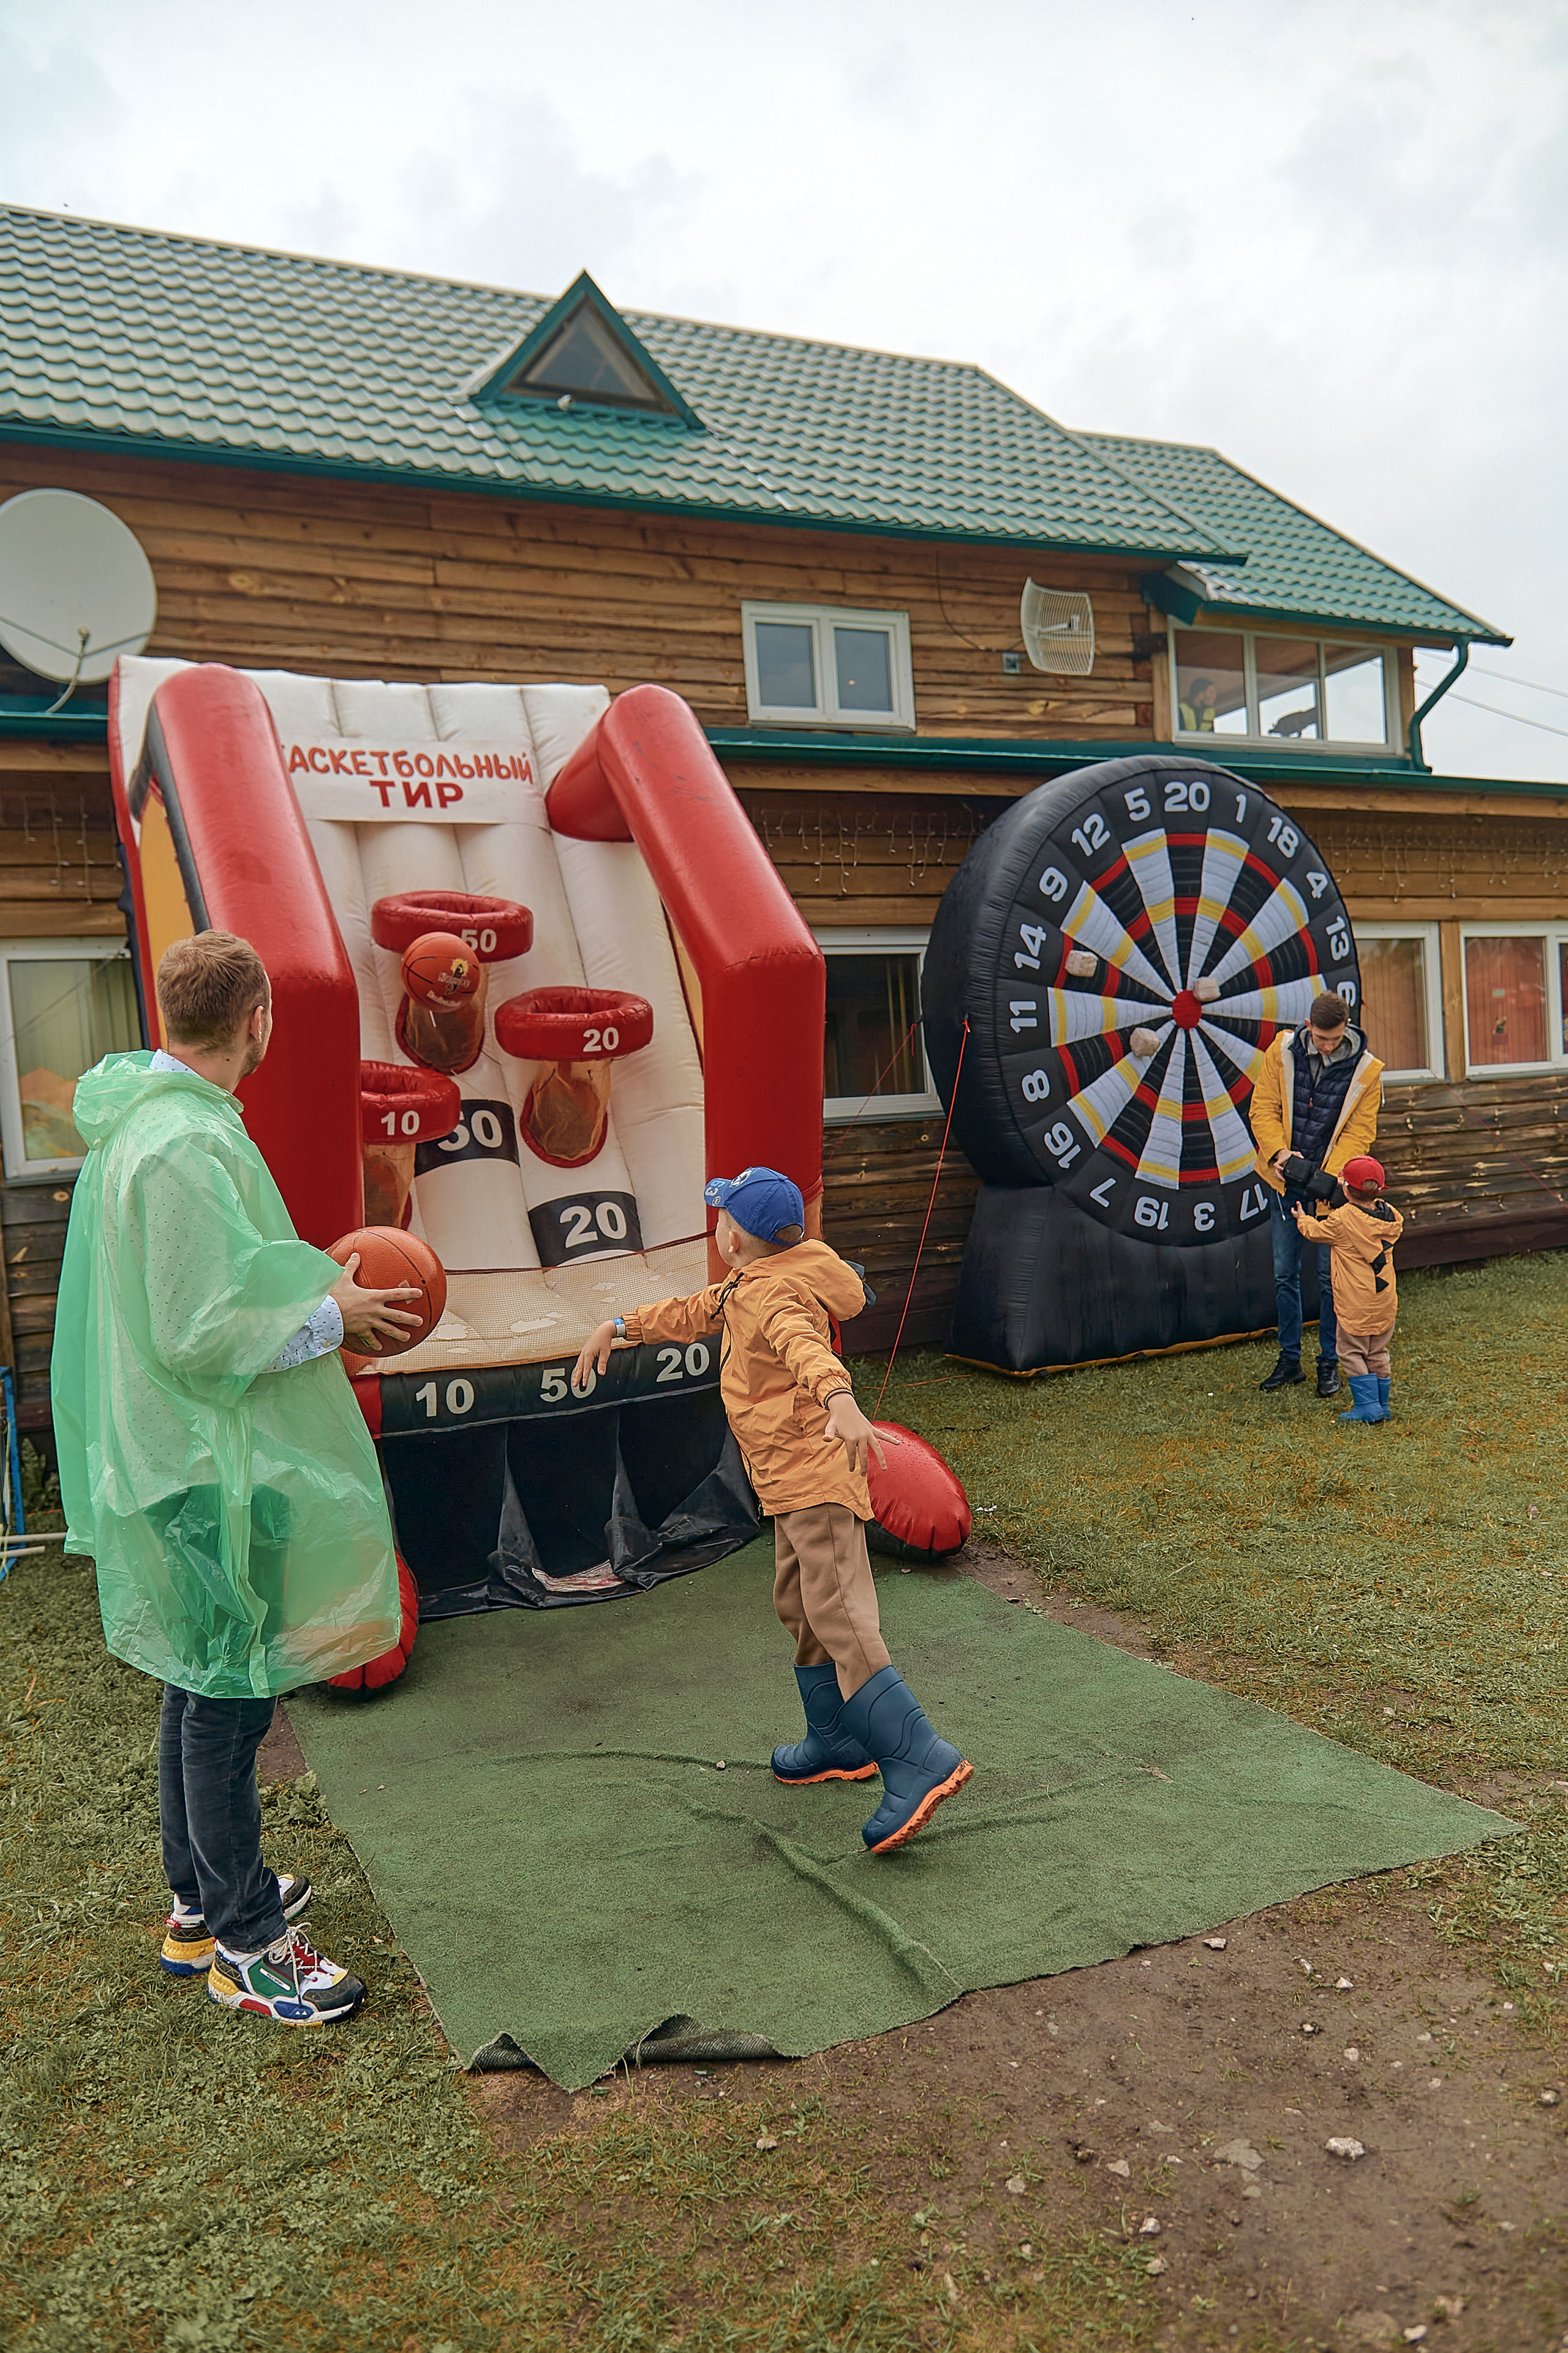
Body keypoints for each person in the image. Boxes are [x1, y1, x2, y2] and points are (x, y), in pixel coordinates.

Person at [51, 932, 423, 2027]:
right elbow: (197, 1327)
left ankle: (198, 1902)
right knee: (228, 1689)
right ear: (257, 1017)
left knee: (199, 1672)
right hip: (198, 1456)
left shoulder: (159, 1124)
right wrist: (333, 1315)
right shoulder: (177, 1146)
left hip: (182, 1449)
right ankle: (250, 1945)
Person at [573, 1167, 972, 1853]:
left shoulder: (771, 1294)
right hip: (789, 1480)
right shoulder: (752, 1282)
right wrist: (619, 1325)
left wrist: (840, 1400)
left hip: (812, 1474)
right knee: (801, 1603)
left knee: (840, 1611)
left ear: (736, 1235)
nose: (716, 1226)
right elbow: (696, 1310)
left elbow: (804, 1346)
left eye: (721, 1217)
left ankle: (920, 1756)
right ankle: (837, 1739)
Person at [1248, 990, 1384, 1399]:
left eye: (1335, 1038)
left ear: (1347, 1028)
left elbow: (1362, 1133)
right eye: (1322, 1038)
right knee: (1284, 1273)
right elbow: (1263, 1108)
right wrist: (1279, 1154)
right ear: (1309, 1027)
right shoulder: (1282, 1051)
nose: (1328, 1046)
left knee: (1330, 1280)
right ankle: (1290, 1361)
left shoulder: (1367, 1071)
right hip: (1283, 1181)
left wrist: (1324, 1176)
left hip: (1331, 1192)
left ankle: (1329, 1364)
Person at [1292, 1154, 1402, 1425]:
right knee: (1377, 1352)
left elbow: (1316, 1232)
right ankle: (1382, 1406)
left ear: (1345, 1189)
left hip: (1356, 1302)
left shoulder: (1341, 1220)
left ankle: (1367, 1408)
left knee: (1351, 1352)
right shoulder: (1392, 1216)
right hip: (1384, 1299)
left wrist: (1302, 1218)